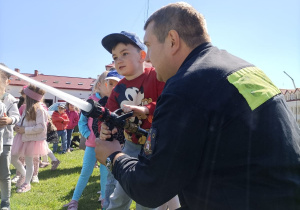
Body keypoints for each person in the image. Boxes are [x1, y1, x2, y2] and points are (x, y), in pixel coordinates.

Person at [95, 2, 300, 210]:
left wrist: (113, 156)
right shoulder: (243, 67)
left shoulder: (185, 86)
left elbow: (151, 187)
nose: (148, 56)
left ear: (172, 40)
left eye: (148, 46)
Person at [99, 31, 165, 210]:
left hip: (155, 148)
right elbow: (108, 114)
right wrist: (104, 127)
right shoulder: (118, 89)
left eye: (124, 53)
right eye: (114, 57)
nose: (118, 60)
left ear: (142, 56)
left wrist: (146, 109)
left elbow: (168, 104)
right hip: (130, 147)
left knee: (146, 199)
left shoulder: (156, 76)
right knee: (120, 194)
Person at [64, 71, 110, 210]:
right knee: (85, 172)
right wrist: (89, 135)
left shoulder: (112, 101)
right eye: (110, 83)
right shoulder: (90, 102)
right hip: (91, 145)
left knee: (105, 173)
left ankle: (104, 197)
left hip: (107, 145)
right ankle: (74, 200)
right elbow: (82, 122)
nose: (114, 86)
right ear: (100, 85)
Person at [11, 85, 48, 193]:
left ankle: (27, 183)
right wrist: (17, 126)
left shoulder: (40, 110)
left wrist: (25, 130)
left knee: (29, 161)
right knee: (13, 158)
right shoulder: (26, 107)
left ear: (30, 97)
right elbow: (22, 121)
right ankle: (25, 175)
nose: (24, 97)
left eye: (26, 96)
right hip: (21, 137)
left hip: (31, 140)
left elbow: (41, 127)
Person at [0, 67, 21, 209]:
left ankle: (5, 201)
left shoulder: (9, 99)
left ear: (7, 82)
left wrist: (9, 121)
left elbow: (16, 116)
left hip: (5, 141)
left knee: (4, 173)